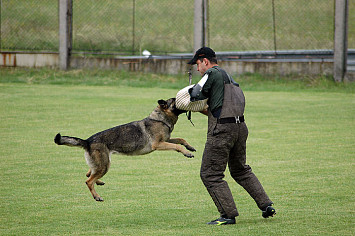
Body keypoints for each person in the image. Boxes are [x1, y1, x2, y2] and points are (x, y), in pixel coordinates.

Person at [187, 47, 276, 225]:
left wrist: (187, 95)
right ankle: (266, 205)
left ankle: (227, 215)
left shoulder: (211, 73)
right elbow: (220, 109)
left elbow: (195, 94)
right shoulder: (229, 79)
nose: (198, 69)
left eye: (197, 64)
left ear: (205, 61)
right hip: (240, 127)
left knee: (210, 174)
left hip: (222, 132)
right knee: (240, 170)